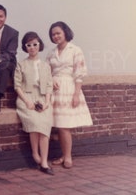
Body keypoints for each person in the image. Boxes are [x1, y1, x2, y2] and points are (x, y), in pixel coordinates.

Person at [46, 21, 93, 169]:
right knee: (59, 125)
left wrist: (76, 94)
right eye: (53, 34)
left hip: (69, 88)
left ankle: (67, 157)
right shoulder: (51, 53)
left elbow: (79, 74)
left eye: (58, 33)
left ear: (65, 33)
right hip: (55, 91)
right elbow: (46, 71)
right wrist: (51, 78)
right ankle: (63, 155)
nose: (56, 36)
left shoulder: (75, 50)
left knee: (65, 126)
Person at [14, 32, 54, 175]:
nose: (32, 47)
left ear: (39, 45)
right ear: (25, 47)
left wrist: (47, 102)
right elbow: (17, 85)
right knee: (35, 122)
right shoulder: (21, 64)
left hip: (43, 98)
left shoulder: (45, 65)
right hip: (27, 97)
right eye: (29, 45)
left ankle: (43, 161)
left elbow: (49, 85)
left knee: (44, 125)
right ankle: (35, 153)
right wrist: (27, 102)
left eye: (35, 44)